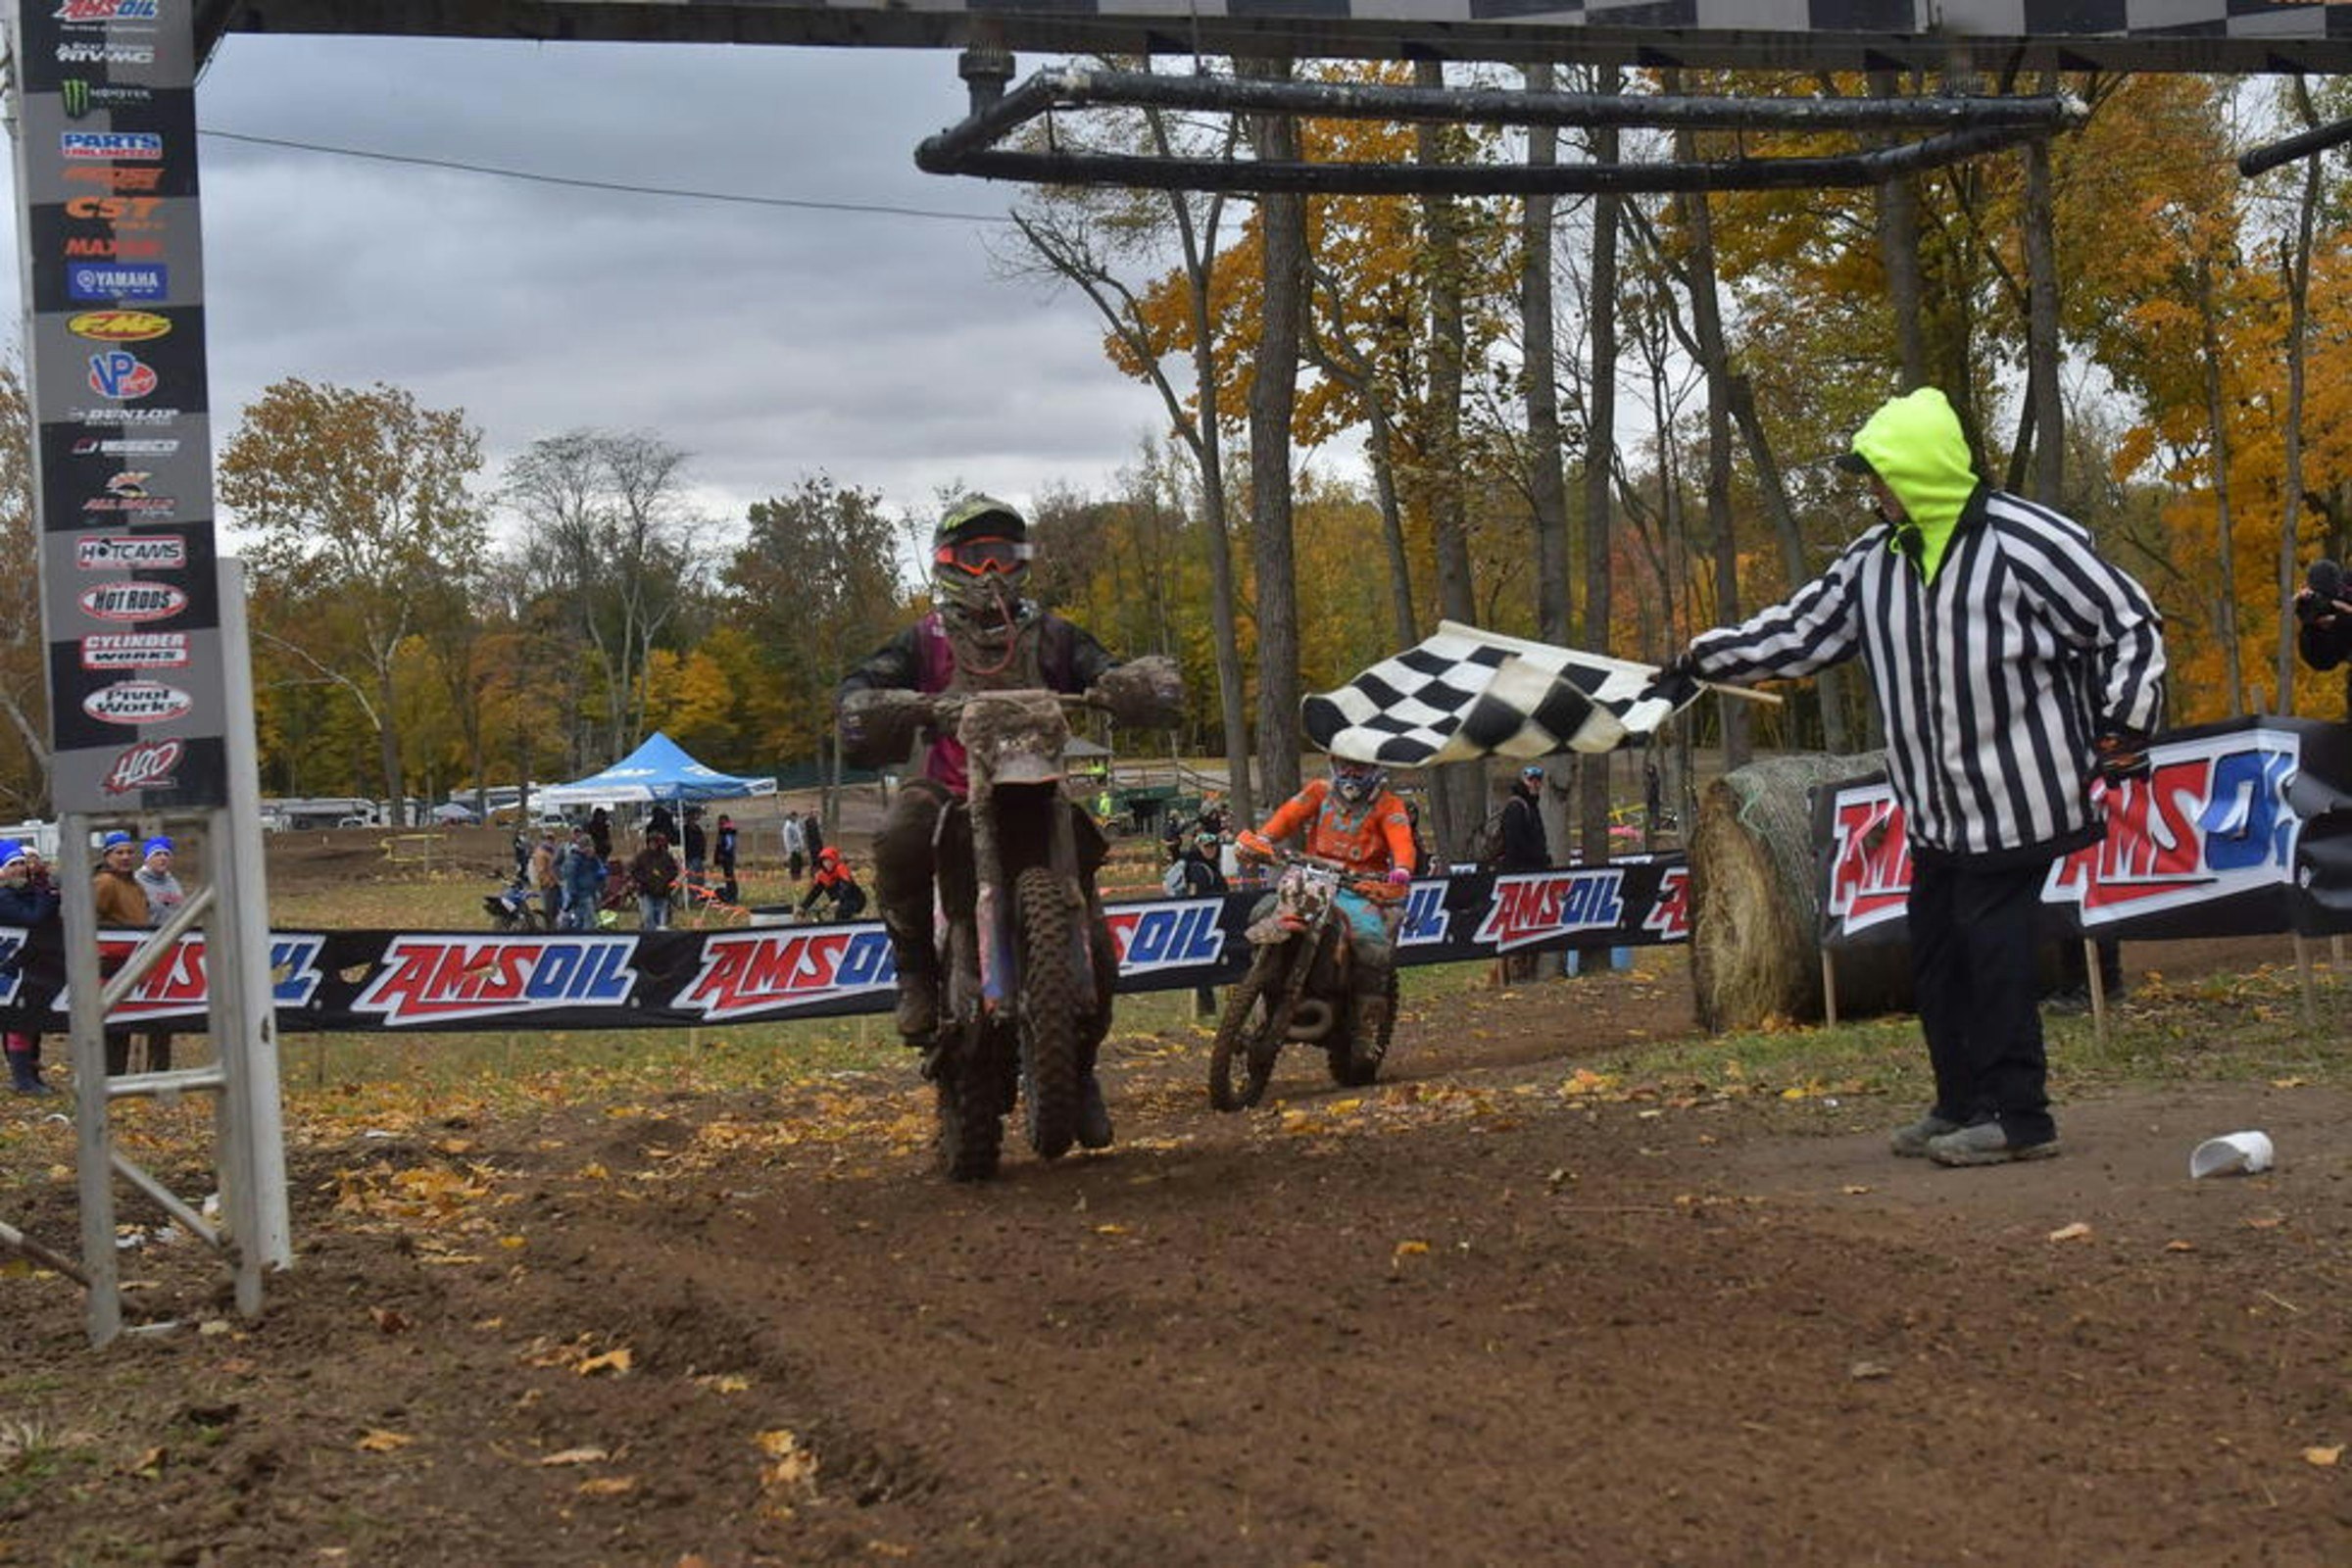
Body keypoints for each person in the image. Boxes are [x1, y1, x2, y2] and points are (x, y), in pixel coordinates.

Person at [1662, 386, 2166, 1168]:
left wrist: (2125, 726)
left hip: (2022, 799)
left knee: (1992, 949)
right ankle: (1958, 1103)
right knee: (1936, 952)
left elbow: (2127, 622)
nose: (1873, 491)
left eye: (1881, 475)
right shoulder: (1874, 562)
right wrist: (1699, 662)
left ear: (1921, 471)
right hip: (1937, 810)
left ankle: (2019, 1117)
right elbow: (1800, 632)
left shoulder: (2027, 542)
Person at [836, 493, 1182, 1152]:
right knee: (899, 835)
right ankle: (913, 969)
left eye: (1003, 554)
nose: (991, 569)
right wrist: (880, 702)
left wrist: (1124, 684)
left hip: (1039, 787)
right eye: (976, 555)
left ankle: (1078, 1071)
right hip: (947, 787)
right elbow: (865, 681)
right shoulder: (925, 638)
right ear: (949, 563)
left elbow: (1100, 669)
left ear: (1021, 561)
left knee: (1099, 940)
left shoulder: (1051, 633)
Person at [1235, 757, 1419, 1048]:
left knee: (1371, 941)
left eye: (1359, 766)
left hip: (1359, 888)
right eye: (1344, 765)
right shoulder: (1319, 791)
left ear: (1376, 770)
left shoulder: (1389, 804)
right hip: (1311, 877)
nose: (1350, 772)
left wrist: (1401, 870)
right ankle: (1255, 990)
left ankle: (1365, 1029)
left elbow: (1401, 840)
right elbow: (1289, 815)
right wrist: (1263, 839)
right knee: (1265, 910)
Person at [0, 840, 60, 1095]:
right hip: (8, 966)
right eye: (13, 864)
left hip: (29, 965)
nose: (20, 869)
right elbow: (32, 918)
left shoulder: (28, 891)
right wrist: (47, 898)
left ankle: (30, 1075)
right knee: (16, 1021)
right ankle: (22, 1078)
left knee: (30, 1020)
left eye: (22, 863)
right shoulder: (4, 896)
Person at [92, 830, 150, 1076]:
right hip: (110, 959)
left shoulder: (134, 883)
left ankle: (117, 1074)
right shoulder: (104, 882)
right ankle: (107, 1075)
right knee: (111, 1023)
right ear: (108, 855)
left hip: (132, 958)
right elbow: (87, 916)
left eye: (129, 852)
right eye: (119, 852)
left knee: (125, 1020)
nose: (125, 857)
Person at [132, 836, 185, 1073]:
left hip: (171, 954)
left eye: (166, 854)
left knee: (166, 1014)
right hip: (144, 952)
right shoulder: (137, 882)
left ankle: (160, 1066)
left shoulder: (173, 883)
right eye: (157, 854)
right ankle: (136, 1066)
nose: (163, 858)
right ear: (147, 857)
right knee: (141, 1011)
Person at [798, 845, 869, 922]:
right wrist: (803, 906)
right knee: (820, 913)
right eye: (824, 861)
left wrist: (839, 900)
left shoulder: (841, 869)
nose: (827, 864)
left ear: (834, 860)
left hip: (855, 900)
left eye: (829, 861)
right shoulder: (822, 875)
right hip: (839, 902)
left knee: (842, 913)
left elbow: (846, 886)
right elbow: (815, 893)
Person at [558, 828, 607, 931]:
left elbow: (599, 870)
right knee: (590, 920)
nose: (592, 849)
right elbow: (570, 877)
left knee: (581, 920)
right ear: (583, 848)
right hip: (581, 894)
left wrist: (601, 874)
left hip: (591, 892)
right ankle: (586, 939)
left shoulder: (592, 859)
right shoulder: (574, 859)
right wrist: (573, 894)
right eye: (590, 847)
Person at [630, 830, 679, 930]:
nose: (653, 845)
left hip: (663, 891)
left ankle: (661, 939)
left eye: (655, 842)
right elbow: (634, 871)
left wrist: (665, 880)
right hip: (646, 891)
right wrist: (644, 880)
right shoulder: (642, 856)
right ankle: (649, 937)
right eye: (651, 842)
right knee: (648, 916)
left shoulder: (666, 856)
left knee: (662, 920)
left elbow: (674, 870)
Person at [528, 829, 562, 928]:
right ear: (543, 839)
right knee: (549, 911)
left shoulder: (552, 851)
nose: (550, 840)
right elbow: (541, 871)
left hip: (555, 884)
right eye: (548, 838)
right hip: (548, 886)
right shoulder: (541, 853)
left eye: (552, 838)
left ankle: (554, 928)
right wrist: (550, 882)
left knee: (555, 910)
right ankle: (549, 931)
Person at [713, 812, 740, 905]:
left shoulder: (727, 832)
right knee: (728, 877)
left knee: (730, 877)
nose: (719, 824)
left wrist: (723, 854)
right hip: (726, 858)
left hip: (727, 858)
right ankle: (731, 895)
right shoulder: (723, 832)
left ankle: (733, 896)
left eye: (721, 822)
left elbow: (729, 845)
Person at [682, 806, 708, 889]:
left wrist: (703, 854)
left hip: (698, 857)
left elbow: (702, 841)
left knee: (700, 878)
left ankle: (700, 895)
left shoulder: (697, 829)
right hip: (690, 857)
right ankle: (693, 896)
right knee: (692, 878)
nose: (694, 819)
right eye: (692, 817)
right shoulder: (685, 829)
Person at [781, 810, 807, 882]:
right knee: (794, 864)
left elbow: (799, 836)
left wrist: (801, 846)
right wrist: (791, 850)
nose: (796, 819)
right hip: (793, 849)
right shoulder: (788, 826)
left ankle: (798, 877)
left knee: (799, 864)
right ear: (792, 817)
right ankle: (794, 878)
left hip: (798, 848)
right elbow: (787, 839)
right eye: (795, 817)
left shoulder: (795, 824)